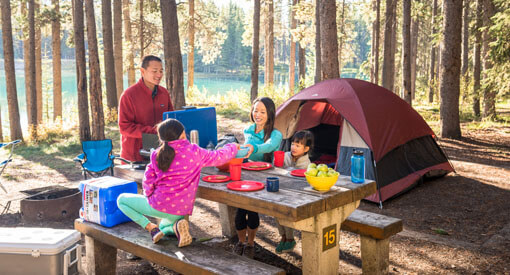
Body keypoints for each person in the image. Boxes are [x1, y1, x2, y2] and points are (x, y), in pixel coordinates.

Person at [117, 119, 238, 247]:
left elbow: (148, 181)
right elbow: (219, 157)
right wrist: (233, 146)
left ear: (161, 137)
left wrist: (149, 196)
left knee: (121, 200)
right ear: (183, 133)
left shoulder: (156, 154)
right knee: (164, 226)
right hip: (180, 209)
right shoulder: (195, 152)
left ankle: (150, 227)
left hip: (159, 204)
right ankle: (175, 227)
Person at [233, 97, 283, 258]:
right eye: (255, 110)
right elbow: (246, 151)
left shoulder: (276, 134)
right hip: (247, 173)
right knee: (241, 208)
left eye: (262, 111)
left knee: (252, 210)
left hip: (265, 176)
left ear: (270, 114)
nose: (258, 114)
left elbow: (268, 147)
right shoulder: (248, 130)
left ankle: (251, 244)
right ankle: (241, 242)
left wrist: (253, 147)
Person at [118, 55, 174, 162]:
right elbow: (124, 127)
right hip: (134, 156)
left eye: (161, 71)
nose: (159, 75)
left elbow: (170, 119)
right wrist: (153, 130)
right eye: (155, 71)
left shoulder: (164, 93)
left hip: (160, 154)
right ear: (143, 71)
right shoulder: (128, 95)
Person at [276, 130, 314, 253]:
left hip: (295, 194)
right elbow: (277, 168)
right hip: (282, 189)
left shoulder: (307, 163)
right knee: (276, 212)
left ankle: (290, 238)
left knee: (286, 214)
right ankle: (283, 237)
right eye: (293, 144)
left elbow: (303, 182)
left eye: (298, 145)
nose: (293, 147)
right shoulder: (286, 155)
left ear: (306, 149)